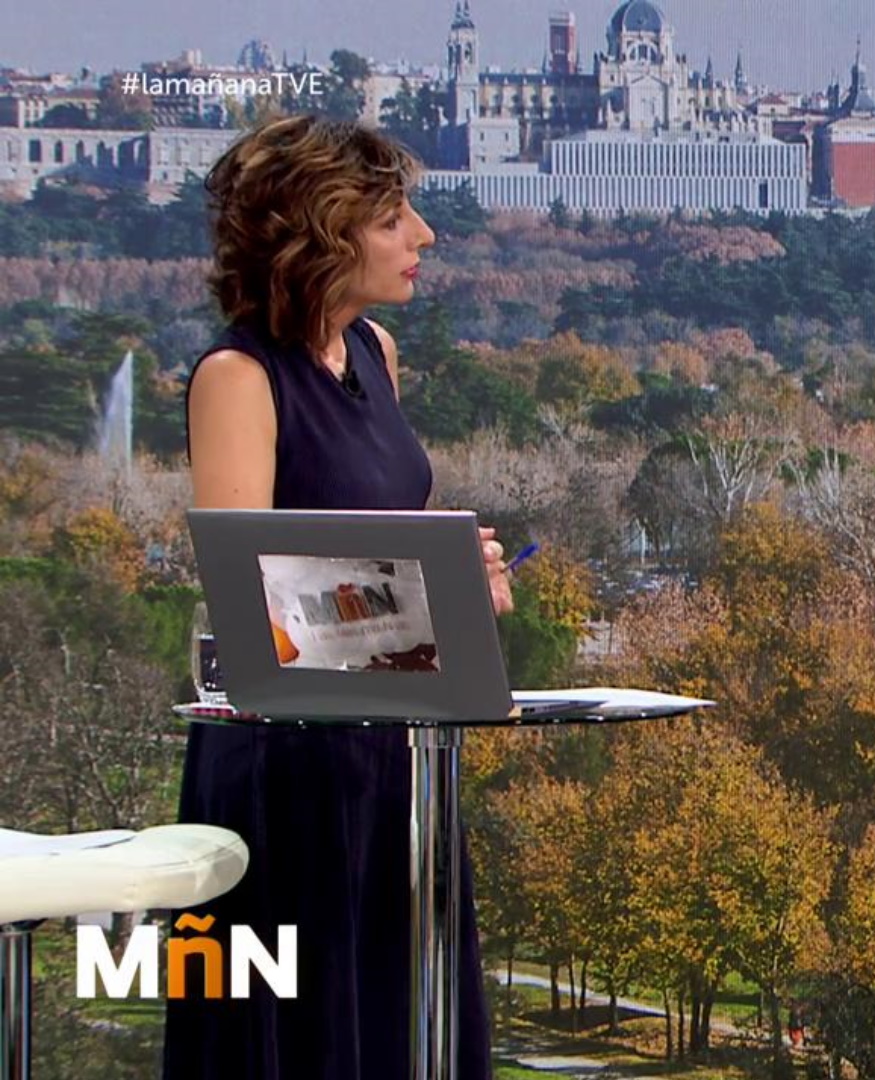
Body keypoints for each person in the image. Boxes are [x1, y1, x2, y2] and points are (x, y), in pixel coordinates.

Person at [166, 115, 513, 1080]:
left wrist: (463, 587)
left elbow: (385, 562)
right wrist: (427, 594)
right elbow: (250, 601)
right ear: (322, 231)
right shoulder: (237, 378)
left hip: (397, 757)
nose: (424, 237)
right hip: (285, 774)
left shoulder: (376, 352)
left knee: (404, 1029)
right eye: (394, 219)